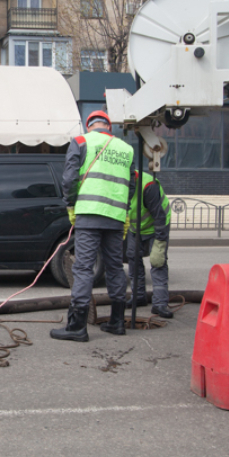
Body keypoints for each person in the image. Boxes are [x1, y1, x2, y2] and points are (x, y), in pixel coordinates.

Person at [51, 110, 135, 342]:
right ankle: (117, 322)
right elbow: (131, 185)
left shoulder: (80, 141)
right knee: (115, 268)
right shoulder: (126, 148)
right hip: (116, 216)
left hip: (90, 212)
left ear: (90, 126)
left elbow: (69, 180)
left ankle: (77, 326)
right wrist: (124, 211)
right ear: (108, 127)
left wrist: (71, 204)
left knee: (84, 268)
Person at [126, 170, 173, 319]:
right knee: (133, 259)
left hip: (156, 225)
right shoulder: (117, 183)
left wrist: (160, 242)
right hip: (135, 227)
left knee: (157, 262)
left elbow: (159, 216)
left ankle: (160, 303)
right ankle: (138, 297)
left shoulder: (148, 185)